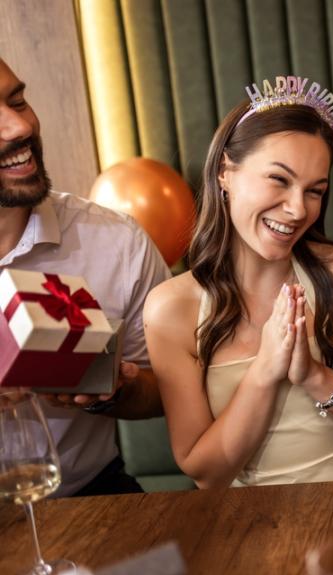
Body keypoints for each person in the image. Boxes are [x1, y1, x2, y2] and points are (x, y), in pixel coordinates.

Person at [143, 79, 333, 489]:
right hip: (259, 524)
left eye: (314, 191)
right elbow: (206, 473)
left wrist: (314, 377)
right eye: (278, 179)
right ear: (225, 172)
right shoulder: (170, 309)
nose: (295, 209)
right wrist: (266, 371)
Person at [0, 58, 169, 496]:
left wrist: (112, 391)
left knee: (178, 565)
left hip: (88, 494)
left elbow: (169, 388)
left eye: (18, 100)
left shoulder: (114, 242)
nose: (20, 126)